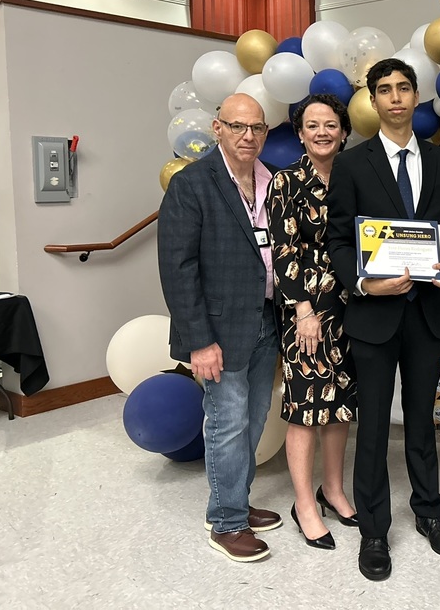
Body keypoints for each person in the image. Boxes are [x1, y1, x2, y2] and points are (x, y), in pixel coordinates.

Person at [326, 57, 440, 582]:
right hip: (374, 313)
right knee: (376, 424)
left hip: (427, 312)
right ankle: (375, 529)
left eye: (405, 88)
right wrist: (363, 283)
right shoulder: (353, 164)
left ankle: (429, 512)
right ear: (374, 100)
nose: (396, 98)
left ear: (416, 96)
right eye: (385, 90)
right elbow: (339, 239)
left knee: (424, 419)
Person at [158, 93, 282, 563]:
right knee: (227, 424)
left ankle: (237, 501)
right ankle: (225, 522)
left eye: (256, 128)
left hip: (265, 322)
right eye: (237, 127)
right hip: (217, 332)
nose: (248, 136)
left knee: (251, 421)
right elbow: (178, 267)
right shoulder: (192, 184)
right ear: (217, 129)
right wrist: (199, 341)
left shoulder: (270, 181)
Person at [266, 94, 358, 551]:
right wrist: (302, 311)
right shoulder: (285, 182)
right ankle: (304, 503)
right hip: (305, 313)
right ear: (300, 133)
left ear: (343, 130)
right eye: (312, 125)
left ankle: (334, 489)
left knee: (340, 403)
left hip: (351, 308)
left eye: (330, 124)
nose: (322, 131)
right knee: (305, 407)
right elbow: (282, 252)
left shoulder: (355, 173)